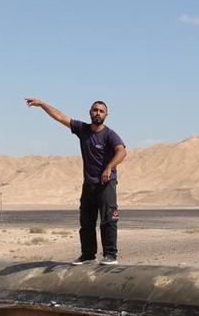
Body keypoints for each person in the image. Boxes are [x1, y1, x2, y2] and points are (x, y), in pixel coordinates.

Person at [26, 97, 126, 264]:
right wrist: (42, 104)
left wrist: (109, 167)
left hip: (106, 184)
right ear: (90, 112)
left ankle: (110, 255)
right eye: (95, 110)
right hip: (89, 185)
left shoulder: (110, 135)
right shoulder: (83, 129)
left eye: (101, 111)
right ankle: (88, 255)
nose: (98, 113)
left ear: (106, 114)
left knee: (108, 220)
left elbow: (121, 151)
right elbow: (60, 117)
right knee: (86, 221)